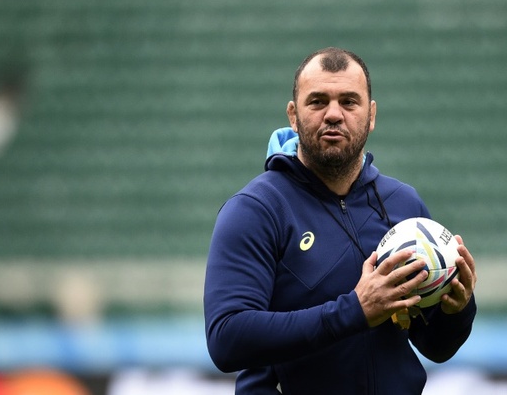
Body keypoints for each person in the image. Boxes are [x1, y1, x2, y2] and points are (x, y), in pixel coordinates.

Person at [203, 47, 477, 394]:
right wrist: (355, 310)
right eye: (318, 101)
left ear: (371, 114)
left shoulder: (403, 205)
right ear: (293, 114)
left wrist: (458, 309)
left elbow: (435, 347)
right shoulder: (255, 209)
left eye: (349, 102)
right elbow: (227, 339)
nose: (334, 114)